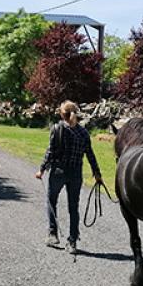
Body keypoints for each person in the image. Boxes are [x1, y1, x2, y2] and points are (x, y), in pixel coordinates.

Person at [35, 100, 103, 254]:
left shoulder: (58, 128)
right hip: (76, 174)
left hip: (58, 171)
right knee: (74, 207)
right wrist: (97, 173)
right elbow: (90, 155)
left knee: (51, 201)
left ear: (61, 113)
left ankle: (53, 234)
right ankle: (72, 241)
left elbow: (51, 151)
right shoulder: (84, 133)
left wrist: (41, 169)